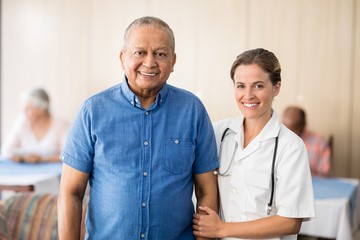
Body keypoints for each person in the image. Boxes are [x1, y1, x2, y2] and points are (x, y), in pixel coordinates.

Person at [57, 16, 219, 240]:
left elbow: (206, 191)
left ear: (173, 61)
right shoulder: (92, 111)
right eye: (140, 52)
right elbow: (71, 192)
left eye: (160, 54)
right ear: (123, 58)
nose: (150, 62)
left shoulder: (192, 110)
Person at [193, 48, 315, 239]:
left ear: (276, 88)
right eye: (240, 86)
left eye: (258, 86)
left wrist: (221, 229)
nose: (248, 95)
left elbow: (291, 221)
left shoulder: (291, 147)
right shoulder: (218, 133)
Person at [2, 88, 69, 163]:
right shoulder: (22, 122)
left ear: (42, 109)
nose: (24, 111)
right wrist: (20, 157)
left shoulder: (61, 125)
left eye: (28, 108)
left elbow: (68, 156)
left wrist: (43, 158)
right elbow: (6, 149)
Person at [282, 106, 331, 177]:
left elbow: (324, 173)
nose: (289, 133)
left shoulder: (320, 143)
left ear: (303, 125)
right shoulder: (277, 140)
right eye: (285, 128)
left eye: (293, 130)